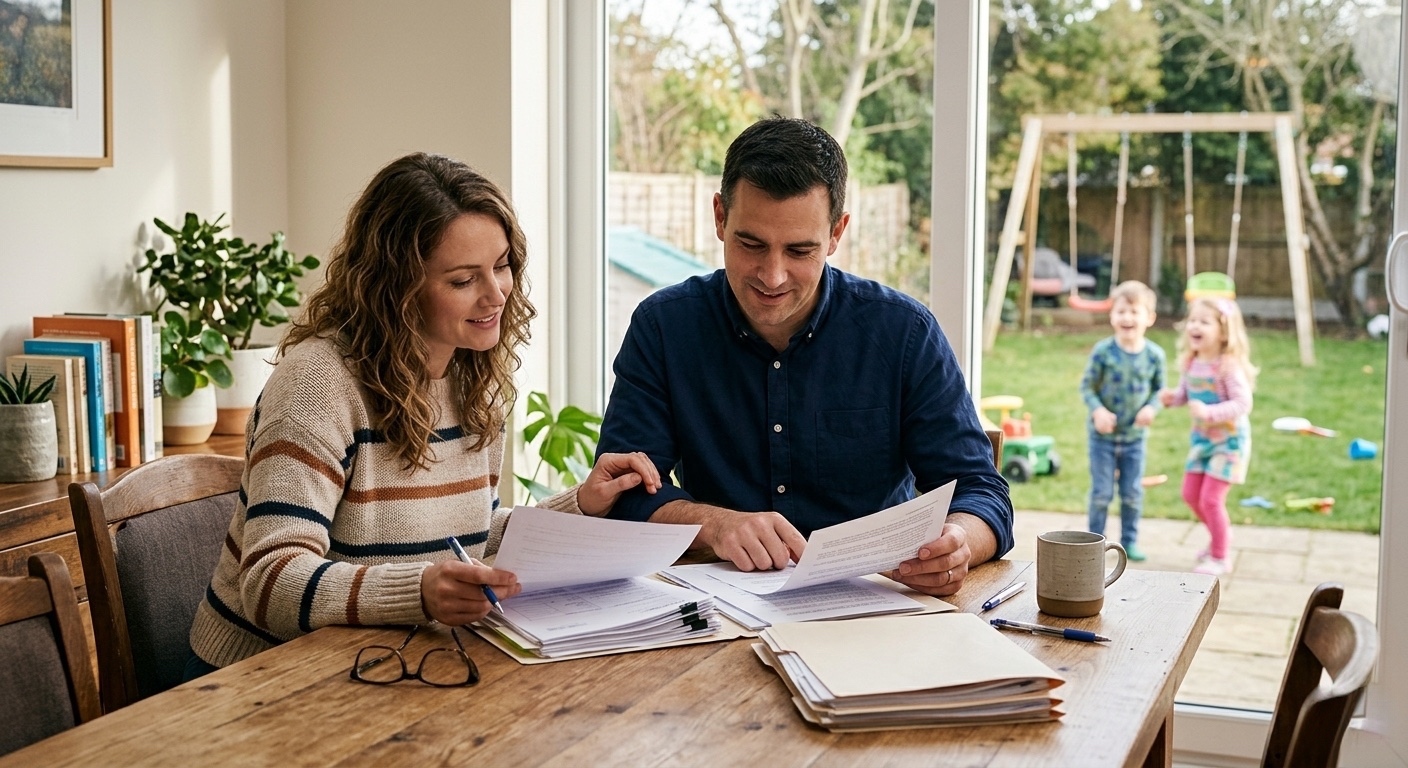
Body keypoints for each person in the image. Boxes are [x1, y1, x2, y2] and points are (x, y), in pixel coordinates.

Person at [187, 153, 660, 673]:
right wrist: (419, 590)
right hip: (261, 678)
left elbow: (466, 534)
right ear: (396, 289)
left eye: (501, 266)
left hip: (387, 662)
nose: (496, 294)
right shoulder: (316, 385)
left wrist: (580, 506)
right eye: (463, 280)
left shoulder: (474, 376)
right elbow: (271, 582)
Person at [595, 117, 1013, 597]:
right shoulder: (664, 327)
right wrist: (713, 524)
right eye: (751, 244)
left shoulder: (904, 333)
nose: (772, 276)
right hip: (718, 611)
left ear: (836, 233)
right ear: (719, 218)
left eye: (799, 250)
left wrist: (958, 542)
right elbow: (621, 494)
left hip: (874, 610)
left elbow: (982, 492)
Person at [1158, 296, 1257, 576]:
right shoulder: (1191, 362)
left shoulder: (1227, 366)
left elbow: (1242, 404)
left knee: (1212, 500)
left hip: (1229, 443)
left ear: (1224, 331)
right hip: (1202, 442)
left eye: (1204, 321)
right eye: (1192, 320)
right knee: (1190, 495)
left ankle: (1220, 555)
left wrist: (1210, 412)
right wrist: (1173, 398)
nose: (1194, 326)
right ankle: (1219, 533)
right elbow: (1186, 394)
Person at [1079, 280, 1166, 562]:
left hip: (1134, 440)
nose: (1127, 318)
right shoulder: (1103, 352)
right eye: (1121, 311)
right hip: (1102, 438)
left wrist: (1151, 408)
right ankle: (1094, 543)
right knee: (1102, 494)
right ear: (1112, 316)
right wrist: (1098, 411)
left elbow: (1159, 391)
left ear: (1149, 318)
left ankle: (1129, 541)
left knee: (1131, 493)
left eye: (1134, 311)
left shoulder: (1154, 356)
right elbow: (1087, 387)